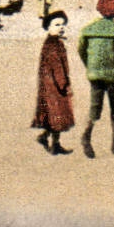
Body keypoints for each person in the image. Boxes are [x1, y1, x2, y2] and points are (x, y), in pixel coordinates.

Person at [76, 0, 114, 157]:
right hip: (112, 74)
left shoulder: (88, 29)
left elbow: (81, 49)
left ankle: (86, 135)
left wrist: (89, 65)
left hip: (95, 73)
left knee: (95, 107)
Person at [33, 10, 76, 156]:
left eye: (63, 24)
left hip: (49, 84)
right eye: (57, 25)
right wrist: (63, 84)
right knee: (57, 114)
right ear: (48, 27)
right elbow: (57, 66)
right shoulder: (53, 45)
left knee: (53, 115)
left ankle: (45, 137)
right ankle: (54, 145)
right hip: (54, 86)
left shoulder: (53, 43)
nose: (61, 27)